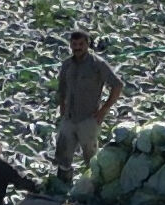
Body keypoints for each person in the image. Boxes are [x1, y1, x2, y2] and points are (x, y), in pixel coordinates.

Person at [53, 29, 126, 186]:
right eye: (74, 44)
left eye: (81, 44)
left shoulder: (97, 64)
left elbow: (117, 85)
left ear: (87, 44)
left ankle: (93, 188)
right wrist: (62, 107)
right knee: (63, 154)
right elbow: (62, 87)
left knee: (91, 158)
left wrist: (104, 110)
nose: (77, 47)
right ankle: (62, 187)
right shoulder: (67, 64)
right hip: (69, 118)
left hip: (88, 119)